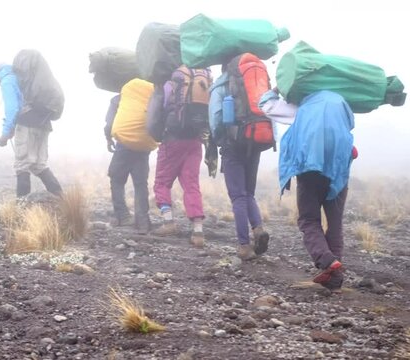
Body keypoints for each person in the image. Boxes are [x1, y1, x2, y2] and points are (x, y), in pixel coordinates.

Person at [261, 89, 355, 292]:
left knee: (309, 219)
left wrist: (274, 91)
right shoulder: (341, 101)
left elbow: (268, 106)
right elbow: (351, 125)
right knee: (335, 221)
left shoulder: (304, 106)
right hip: (339, 170)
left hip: (310, 170)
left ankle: (327, 260)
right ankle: (334, 278)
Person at [209, 61, 270, 260]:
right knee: (248, 193)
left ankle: (244, 245)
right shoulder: (254, 81)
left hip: (232, 144)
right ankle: (258, 229)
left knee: (238, 196)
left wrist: (218, 140)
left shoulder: (220, 86)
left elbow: (216, 118)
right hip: (255, 140)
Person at [147, 67, 214, 248]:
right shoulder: (204, 78)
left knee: (161, 182)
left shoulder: (172, 81)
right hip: (195, 141)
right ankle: (198, 231)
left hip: (173, 139)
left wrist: (158, 136)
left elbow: (155, 114)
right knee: (191, 185)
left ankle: (168, 222)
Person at [0, 62, 63, 198]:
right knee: (39, 165)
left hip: (26, 124)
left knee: (22, 165)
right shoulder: (23, 78)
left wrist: (5, 133)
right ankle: (64, 202)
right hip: (44, 123)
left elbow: (13, 108)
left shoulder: (8, 80)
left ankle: (21, 207)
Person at [104, 94, 151, 234]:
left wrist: (108, 138)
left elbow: (110, 121)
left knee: (117, 179)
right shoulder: (148, 96)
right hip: (143, 145)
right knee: (141, 183)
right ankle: (142, 221)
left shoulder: (121, 97)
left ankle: (123, 216)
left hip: (124, 144)